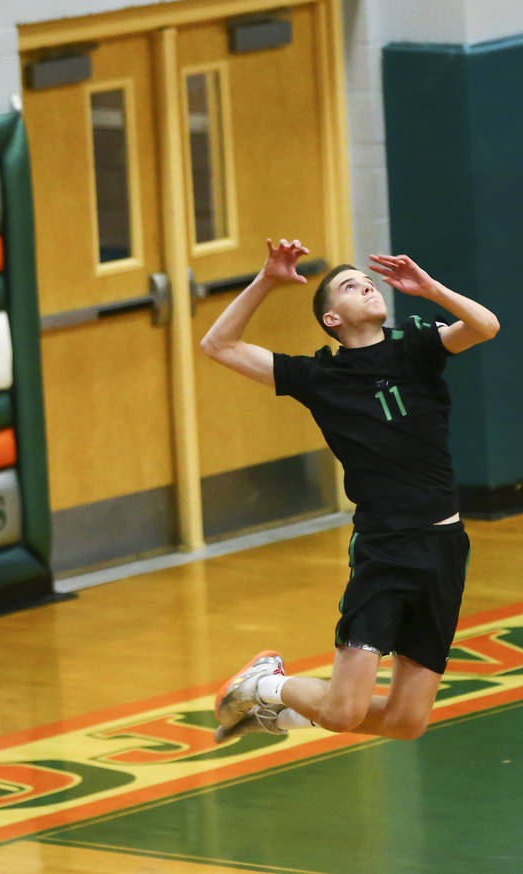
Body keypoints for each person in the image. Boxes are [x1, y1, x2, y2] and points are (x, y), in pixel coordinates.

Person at [201, 237, 499, 743]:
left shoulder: (417, 347)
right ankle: (267, 685)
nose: (364, 285)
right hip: (387, 549)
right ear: (331, 320)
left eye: (367, 281)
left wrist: (429, 289)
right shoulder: (319, 376)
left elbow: (484, 326)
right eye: (348, 286)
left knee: (408, 724)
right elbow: (218, 345)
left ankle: (282, 712)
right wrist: (268, 281)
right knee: (343, 714)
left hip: (446, 547)